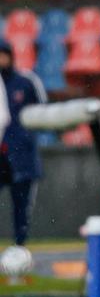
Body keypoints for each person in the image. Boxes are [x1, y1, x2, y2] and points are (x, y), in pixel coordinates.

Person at [0, 40, 44, 246]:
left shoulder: (26, 81)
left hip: (21, 155)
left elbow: (42, 110)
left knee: (22, 206)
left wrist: (24, 137)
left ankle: (20, 246)